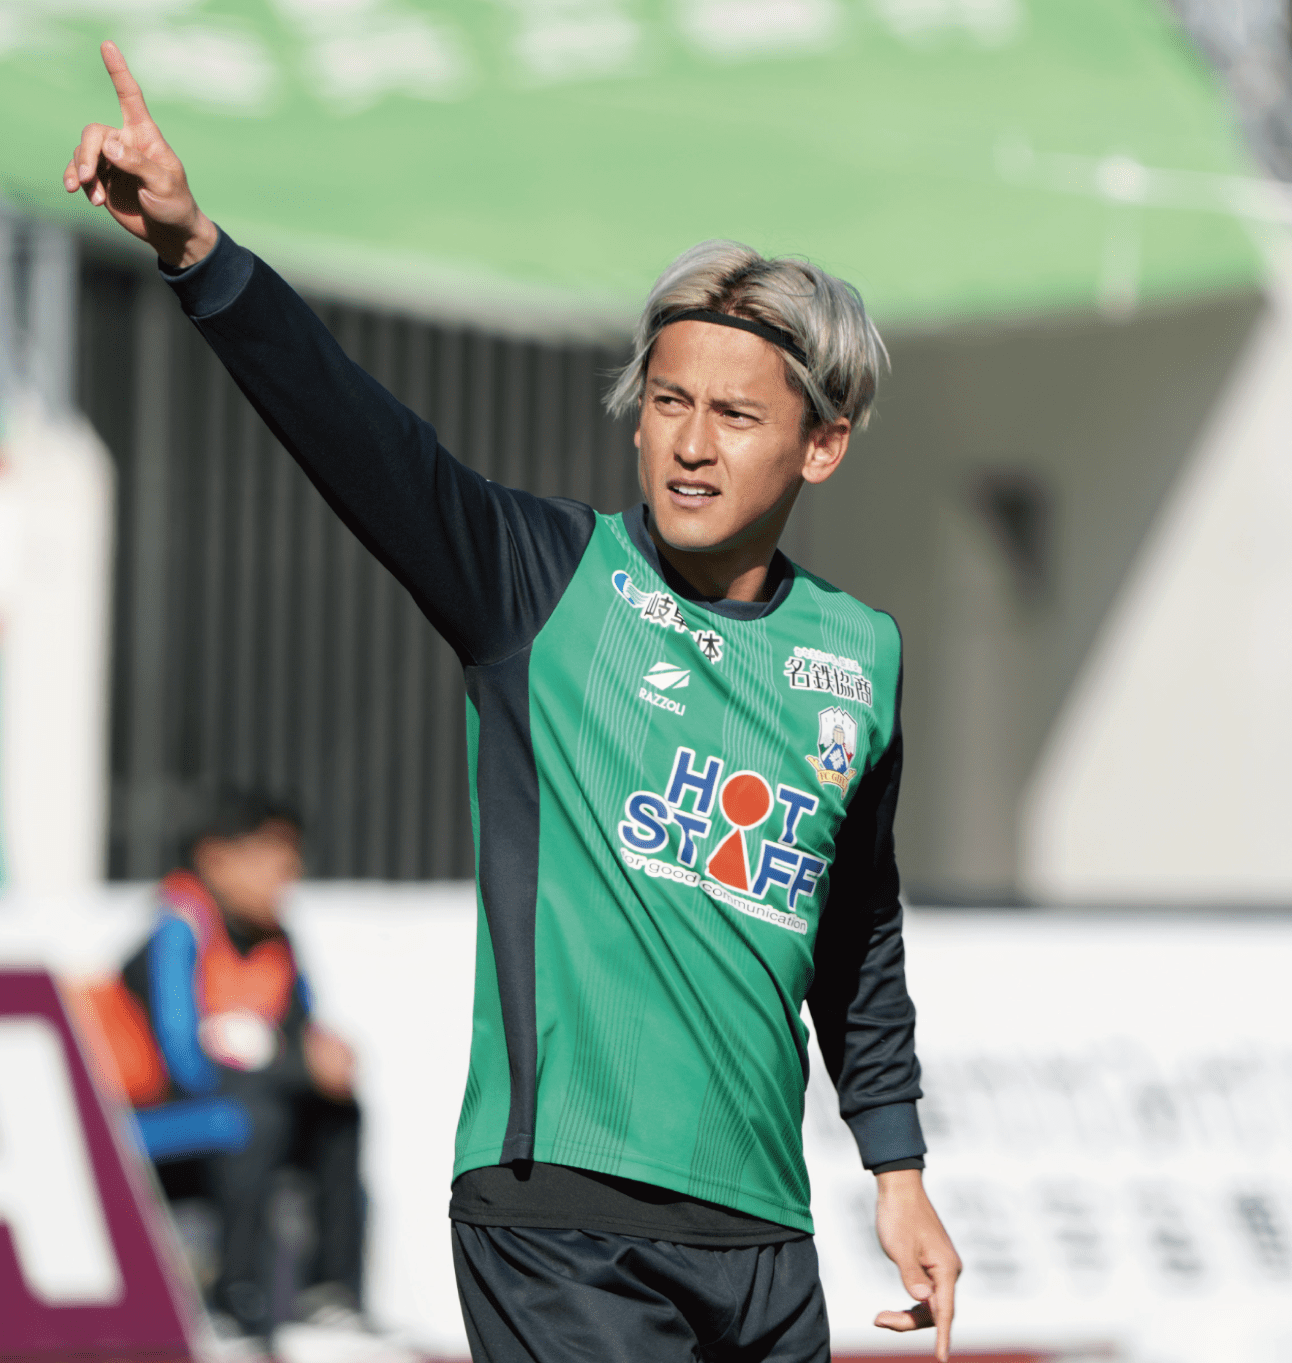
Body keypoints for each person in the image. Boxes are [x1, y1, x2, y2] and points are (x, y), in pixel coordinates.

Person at [63, 39, 960, 1363]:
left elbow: (857, 930)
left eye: (733, 415)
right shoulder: (541, 581)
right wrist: (199, 255)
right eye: (666, 402)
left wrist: (896, 1164)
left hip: (765, 1233)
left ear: (820, 444)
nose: (689, 443)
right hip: (560, 1222)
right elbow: (360, 436)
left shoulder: (860, 653)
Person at [82, 793, 366, 1348]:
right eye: (271, 856)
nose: (288, 872)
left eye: (292, 857)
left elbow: (301, 1033)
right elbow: (183, 1064)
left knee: (337, 1110)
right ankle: (236, 1304)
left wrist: (323, 1061)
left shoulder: (276, 940)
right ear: (215, 858)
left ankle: (330, 1299)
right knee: (248, 1119)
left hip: (242, 1105)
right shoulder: (177, 931)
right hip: (147, 1122)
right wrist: (296, 1065)